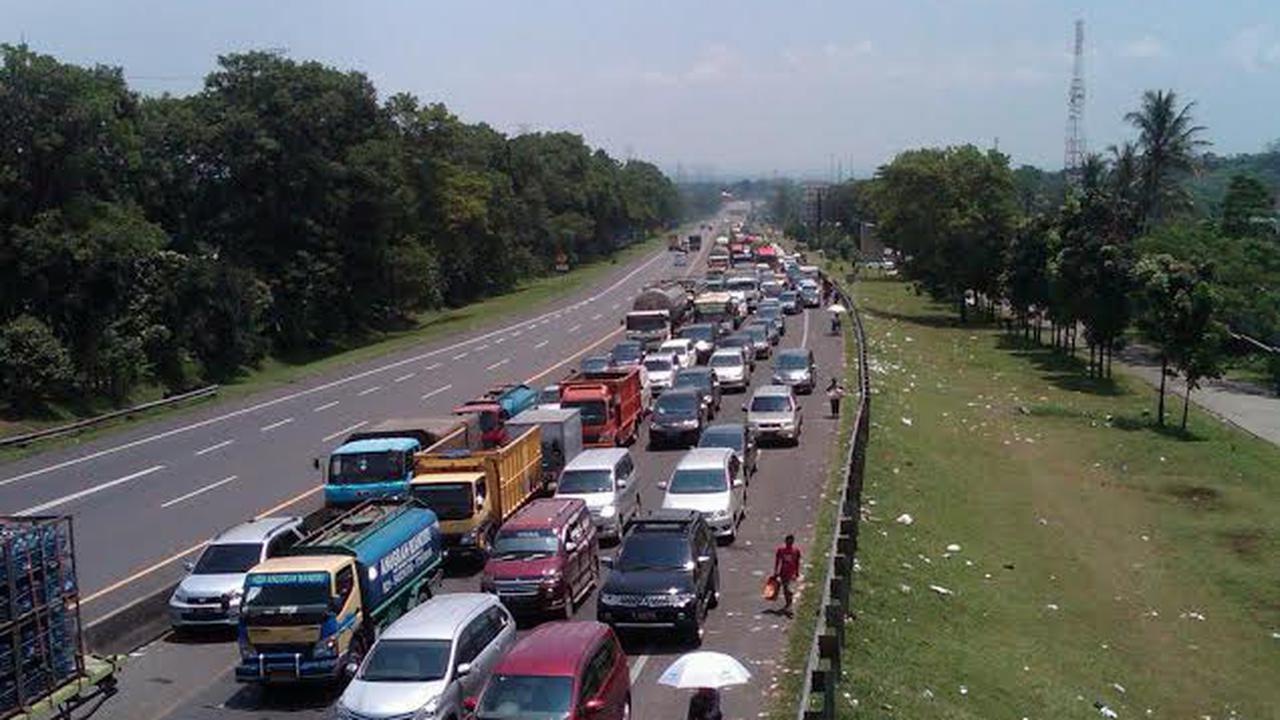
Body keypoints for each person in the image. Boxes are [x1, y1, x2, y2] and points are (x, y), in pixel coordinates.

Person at [773, 534, 802, 615]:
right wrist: (776, 571)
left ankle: (789, 604)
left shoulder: (796, 551)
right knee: (785, 589)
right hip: (783, 572)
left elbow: (797, 562)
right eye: (788, 541)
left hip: (790, 573)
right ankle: (788, 603)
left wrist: (796, 572)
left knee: (787, 588)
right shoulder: (781, 550)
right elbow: (778, 561)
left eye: (791, 541)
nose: (789, 543)